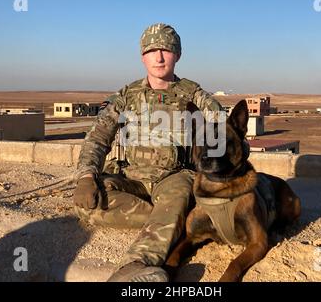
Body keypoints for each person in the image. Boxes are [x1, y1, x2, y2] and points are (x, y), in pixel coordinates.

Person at [73, 23, 222, 282]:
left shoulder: (194, 95)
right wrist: (86, 177)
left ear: (178, 55)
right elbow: (97, 138)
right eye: (153, 50)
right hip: (132, 178)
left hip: (174, 178)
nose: (160, 57)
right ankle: (170, 219)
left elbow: (223, 131)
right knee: (88, 202)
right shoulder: (126, 96)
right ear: (143, 56)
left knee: (178, 196)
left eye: (166, 49)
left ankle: (133, 266)